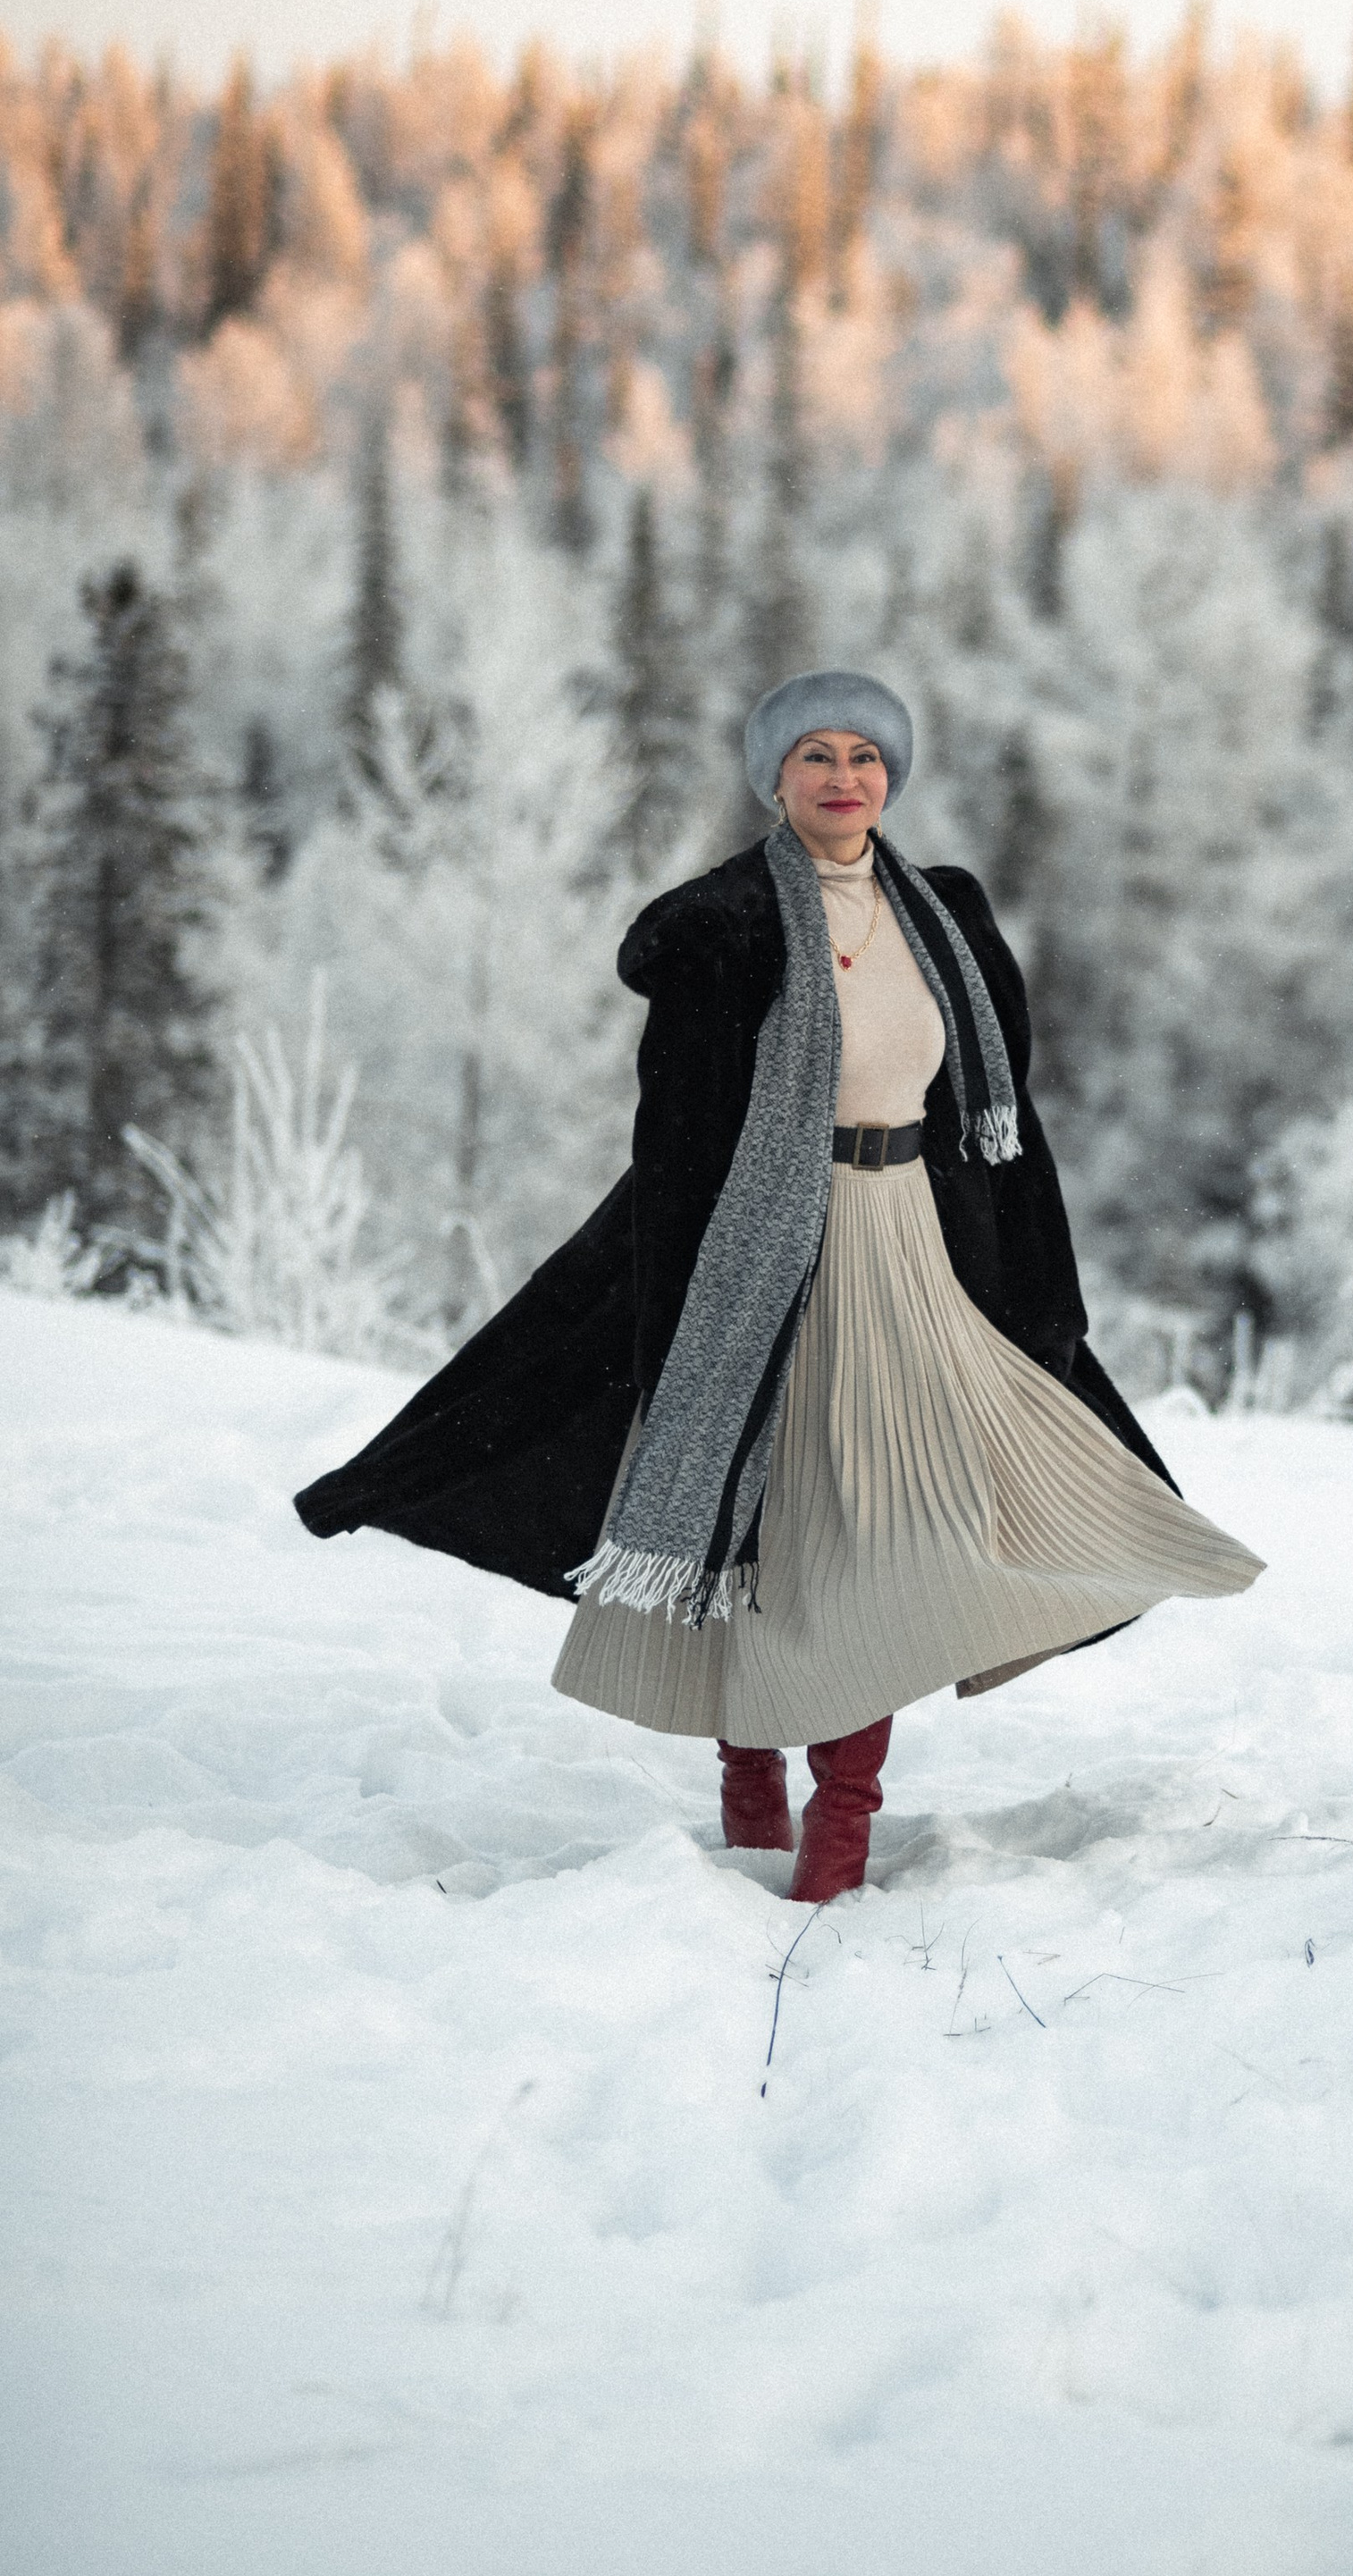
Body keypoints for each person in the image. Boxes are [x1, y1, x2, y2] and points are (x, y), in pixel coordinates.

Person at [295, 669, 1263, 1900]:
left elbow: (1005, 1122)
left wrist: (1040, 1294)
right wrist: (674, 1318)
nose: (844, 776)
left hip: (913, 1246)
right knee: (774, 1544)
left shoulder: (946, 921)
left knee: (899, 1550)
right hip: (769, 1267)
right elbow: (681, 1140)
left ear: (893, 776)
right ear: (775, 777)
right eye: (816, 754)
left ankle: (842, 1830)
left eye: (867, 754)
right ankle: (752, 1783)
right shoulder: (728, 926)